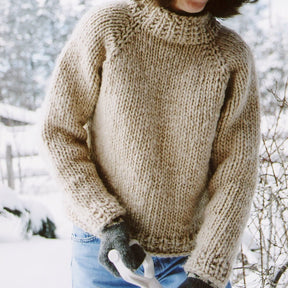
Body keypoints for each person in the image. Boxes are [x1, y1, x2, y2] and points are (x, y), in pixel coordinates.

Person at [41, 0, 260, 287]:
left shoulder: (231, 56)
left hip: (192, 261)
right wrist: (105, 219)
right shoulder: (110, 27)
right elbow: (57, 132)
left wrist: (208, 269)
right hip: (105, 250)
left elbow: (236, 171)